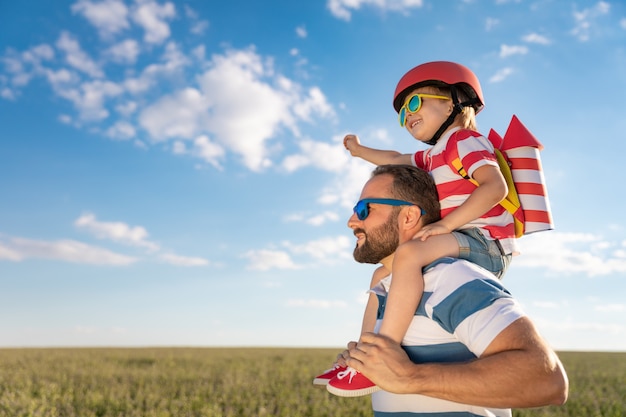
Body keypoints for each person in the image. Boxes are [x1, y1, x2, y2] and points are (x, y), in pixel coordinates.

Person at [315, 61, 519, 395]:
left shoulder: (466, 141)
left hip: (485, 241)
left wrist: (446, 225)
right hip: (460, 236)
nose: (407, 117)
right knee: (382, 274)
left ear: (453, 101)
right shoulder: (434, 155)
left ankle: (383, 354)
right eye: (402, 115)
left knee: (408, 254)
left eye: (414, 103)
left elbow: (495, 188)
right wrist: (359, 151)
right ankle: (362, 357)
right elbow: (395, 158)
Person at [334, 164, 568, 415]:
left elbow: (547, 379)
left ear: (409, 217)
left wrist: (411, 377)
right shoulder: (385, 287)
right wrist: (364, 362)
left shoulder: (450, 278)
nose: (351, 221)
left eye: (364, 209)